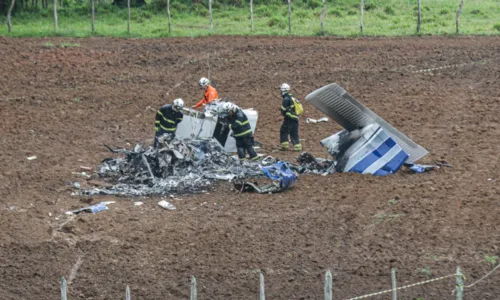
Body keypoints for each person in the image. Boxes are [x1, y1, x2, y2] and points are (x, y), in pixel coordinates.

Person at [279, 83, 302, 151]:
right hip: (295, 118)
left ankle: (284, 146)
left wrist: (283, 111)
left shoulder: (286, 99)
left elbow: (283, 110)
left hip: (289, 118)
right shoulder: (292, 97)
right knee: (294, 132)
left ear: (283, 90)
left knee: (283, 131)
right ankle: (297, 147)